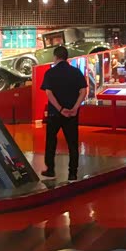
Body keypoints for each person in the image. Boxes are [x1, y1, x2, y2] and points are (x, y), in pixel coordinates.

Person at [40, 46, 87, 181]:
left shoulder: (50, 73)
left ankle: (50, 169)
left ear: (55, 57)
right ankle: (72, 173)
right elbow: (83, 91)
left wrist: (60, 109)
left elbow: (49, 93)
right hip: (72, 114)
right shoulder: (76, 72)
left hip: (54, 114)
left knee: (51, 141)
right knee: (72, 143)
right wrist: (75, 108)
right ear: (67, 57)